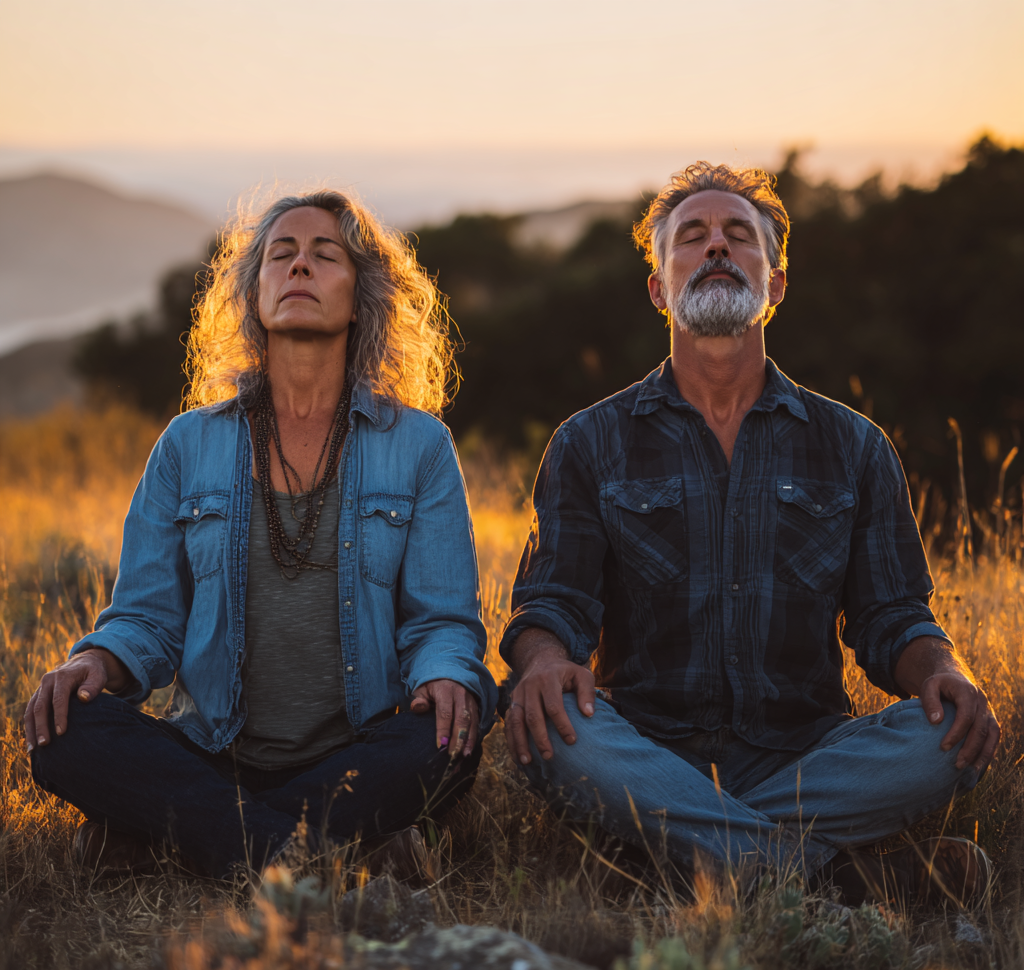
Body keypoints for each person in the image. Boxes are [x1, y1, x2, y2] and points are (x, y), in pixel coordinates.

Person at [500, 162, 1000, 906]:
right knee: (551, 723)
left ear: (776, 284)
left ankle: (678, 858)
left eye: (739, 237)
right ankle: (827, 879)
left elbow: (892, 616)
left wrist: (945, 673)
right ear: (658, 288)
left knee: (942, 739)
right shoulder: (588, 441)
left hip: (807, 759)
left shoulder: (853, 445)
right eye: (692, 238)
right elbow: (555, 606)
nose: (716, 249)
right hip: (644, 751)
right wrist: (541, 661)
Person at [25, 189, 497, 880]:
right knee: (63, 732)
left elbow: (442, 622)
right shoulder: (188, 444)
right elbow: (146, 620)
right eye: (282, 254)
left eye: (323, 254)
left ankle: (194, 835)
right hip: (214, 750)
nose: (299, 266)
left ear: (361, 295)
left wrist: (446, 676)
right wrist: (94, 665)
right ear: (253, 295)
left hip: (356, 749)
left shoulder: (420, 446)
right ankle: (323, 847)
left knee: (451, 739)